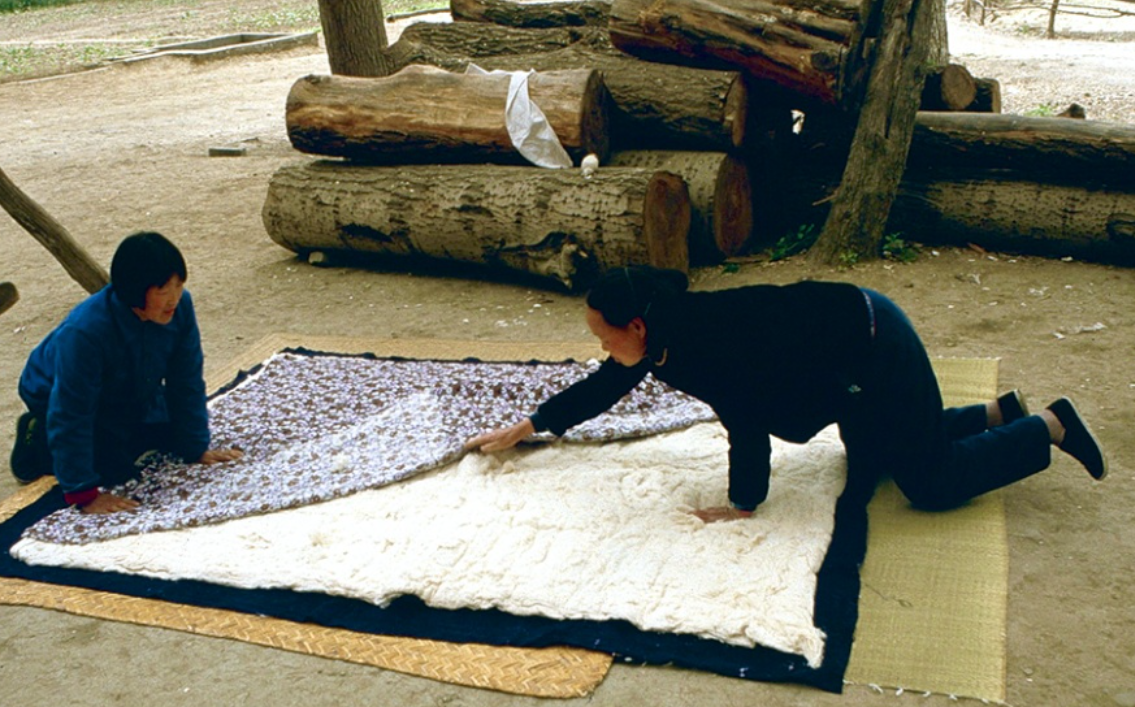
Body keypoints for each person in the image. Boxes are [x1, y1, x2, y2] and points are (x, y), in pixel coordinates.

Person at [466, 266, 1106, 522]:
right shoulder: (661, 331)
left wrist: (742, 507)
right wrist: (533, 424)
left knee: (930, 485)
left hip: (872, 344)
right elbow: (607, 382)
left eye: (604, 338)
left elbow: (745, 428)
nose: (604, 350)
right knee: (874, 457)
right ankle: (1000, 412)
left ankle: (1047, 424)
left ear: (634, 326)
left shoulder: (703, 345)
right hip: (840, 362)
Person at [11, 232, 242, 514]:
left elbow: (187, 378)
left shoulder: (181, 307)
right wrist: (84, 494)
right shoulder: (85, 332)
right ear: (135, 290)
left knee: (166, 432)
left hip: (129, 385)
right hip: (58, 393)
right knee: (114, 468)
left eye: (179, 286)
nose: (173, 299)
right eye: (162, 291)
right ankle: (36, 436)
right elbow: (72, 410)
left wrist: (196, 447)